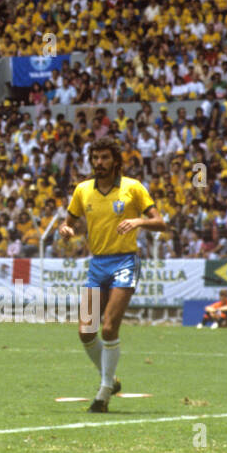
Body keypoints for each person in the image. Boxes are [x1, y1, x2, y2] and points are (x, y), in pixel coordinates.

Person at [58, 137, 167, 412]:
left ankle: (104, 392)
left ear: (115, 161)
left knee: (108, 327)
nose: (99, 163)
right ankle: (110, 378)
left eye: (105, 158)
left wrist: (139, 220)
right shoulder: (83, 190)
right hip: (97, 265)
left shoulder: (133, 188)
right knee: (86, 331)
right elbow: (68, 221)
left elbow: (161, 222)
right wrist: (66, 229)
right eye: (96, 158)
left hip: (125, 263)